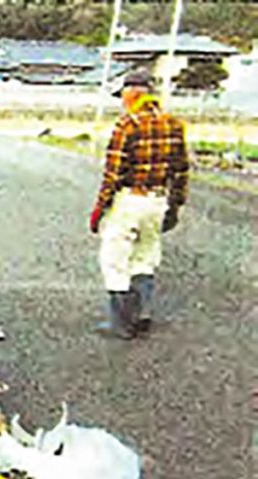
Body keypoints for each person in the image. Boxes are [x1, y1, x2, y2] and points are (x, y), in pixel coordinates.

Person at [89, 69, 189, 339]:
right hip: (157, 200)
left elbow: (113, 174)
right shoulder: (174, 124)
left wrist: (100, 208)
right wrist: (175, 206)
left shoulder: (128, 125)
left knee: (115, 259)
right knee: (145, 256)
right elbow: (181, 171)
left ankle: (120, 323)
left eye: (123, 94)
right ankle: (142, 313)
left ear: (131, 93)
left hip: (129, 199)